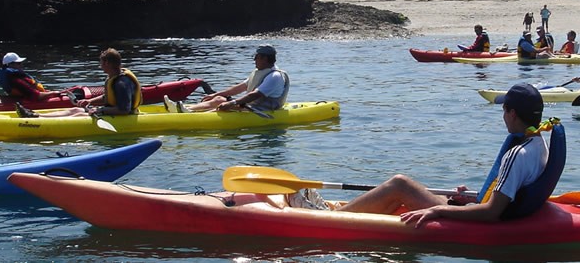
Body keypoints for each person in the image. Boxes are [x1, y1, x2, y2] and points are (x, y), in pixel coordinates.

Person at [338, 83, 549, 226]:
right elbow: (509, 195)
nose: (503, 116)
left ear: (512, 114)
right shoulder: (539, 143)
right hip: (490, 210)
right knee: (410, 192)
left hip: (482, 222)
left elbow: (492, 212)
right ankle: (355, 213)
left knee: (399, 184)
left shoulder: (517, 155)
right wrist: (466, 200)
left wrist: (438, 210)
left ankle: (333, 219)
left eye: (504, 110)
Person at [28, 48, 141, 117]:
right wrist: (89, 101)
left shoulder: (122, 83)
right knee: (75, 109)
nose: (100, 66)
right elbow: (108, 97)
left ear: (107, 63)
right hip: (111, 112)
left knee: (80, 114)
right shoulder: (114, 78)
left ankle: (39, 122)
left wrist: (100, 110)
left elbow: (124, 110)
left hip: (125, 117)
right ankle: (37, 116)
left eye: (101, 63)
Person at [182, 45, 289, 112]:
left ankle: (188, 115)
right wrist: (215, 94)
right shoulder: (260, 72)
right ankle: (188, 109)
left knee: (222, 106)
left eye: (256, 57)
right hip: (251, 106)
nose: (254, 60)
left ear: (265, 59)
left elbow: (255, 95)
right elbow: (239, 88)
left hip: (263, 110)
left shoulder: (275, 77)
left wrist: (232, 103)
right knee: (219, 99)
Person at [0, 52, 64, 101]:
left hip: (21, 96)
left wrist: (46, 92)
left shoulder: (11, 76)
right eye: (18, 63)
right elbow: (35, 96)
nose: (21, 65)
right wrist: (53, 93)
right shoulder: (15, 79)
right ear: (10, 65)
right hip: (28, 100)